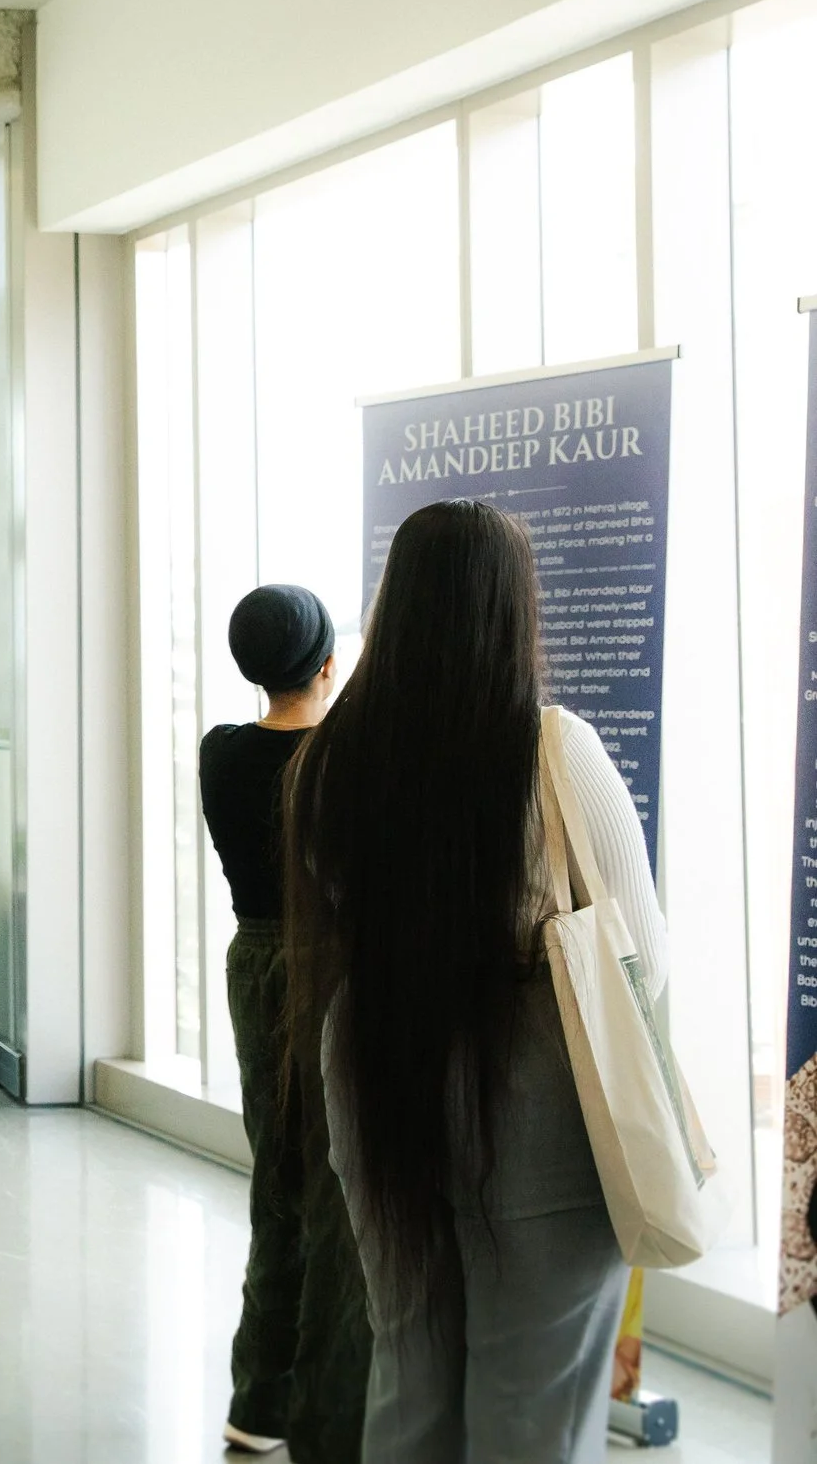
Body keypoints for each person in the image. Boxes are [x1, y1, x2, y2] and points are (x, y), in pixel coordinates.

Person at [285, 499, 669, 1463]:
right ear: (512, 607)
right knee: (530, 1399)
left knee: (409, 1369)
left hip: (373, 1057)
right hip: (532, 1075)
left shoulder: (329, 758)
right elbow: (640, 955)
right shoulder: (552, 747)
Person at [200, 584, 371, 1462]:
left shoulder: (219, 753)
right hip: (335, 967)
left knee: (279, 1178)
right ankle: (331, 1417)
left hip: (253, 963)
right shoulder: (349, 758)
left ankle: (257, 1399)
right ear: (328, 661)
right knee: (341, 1194)